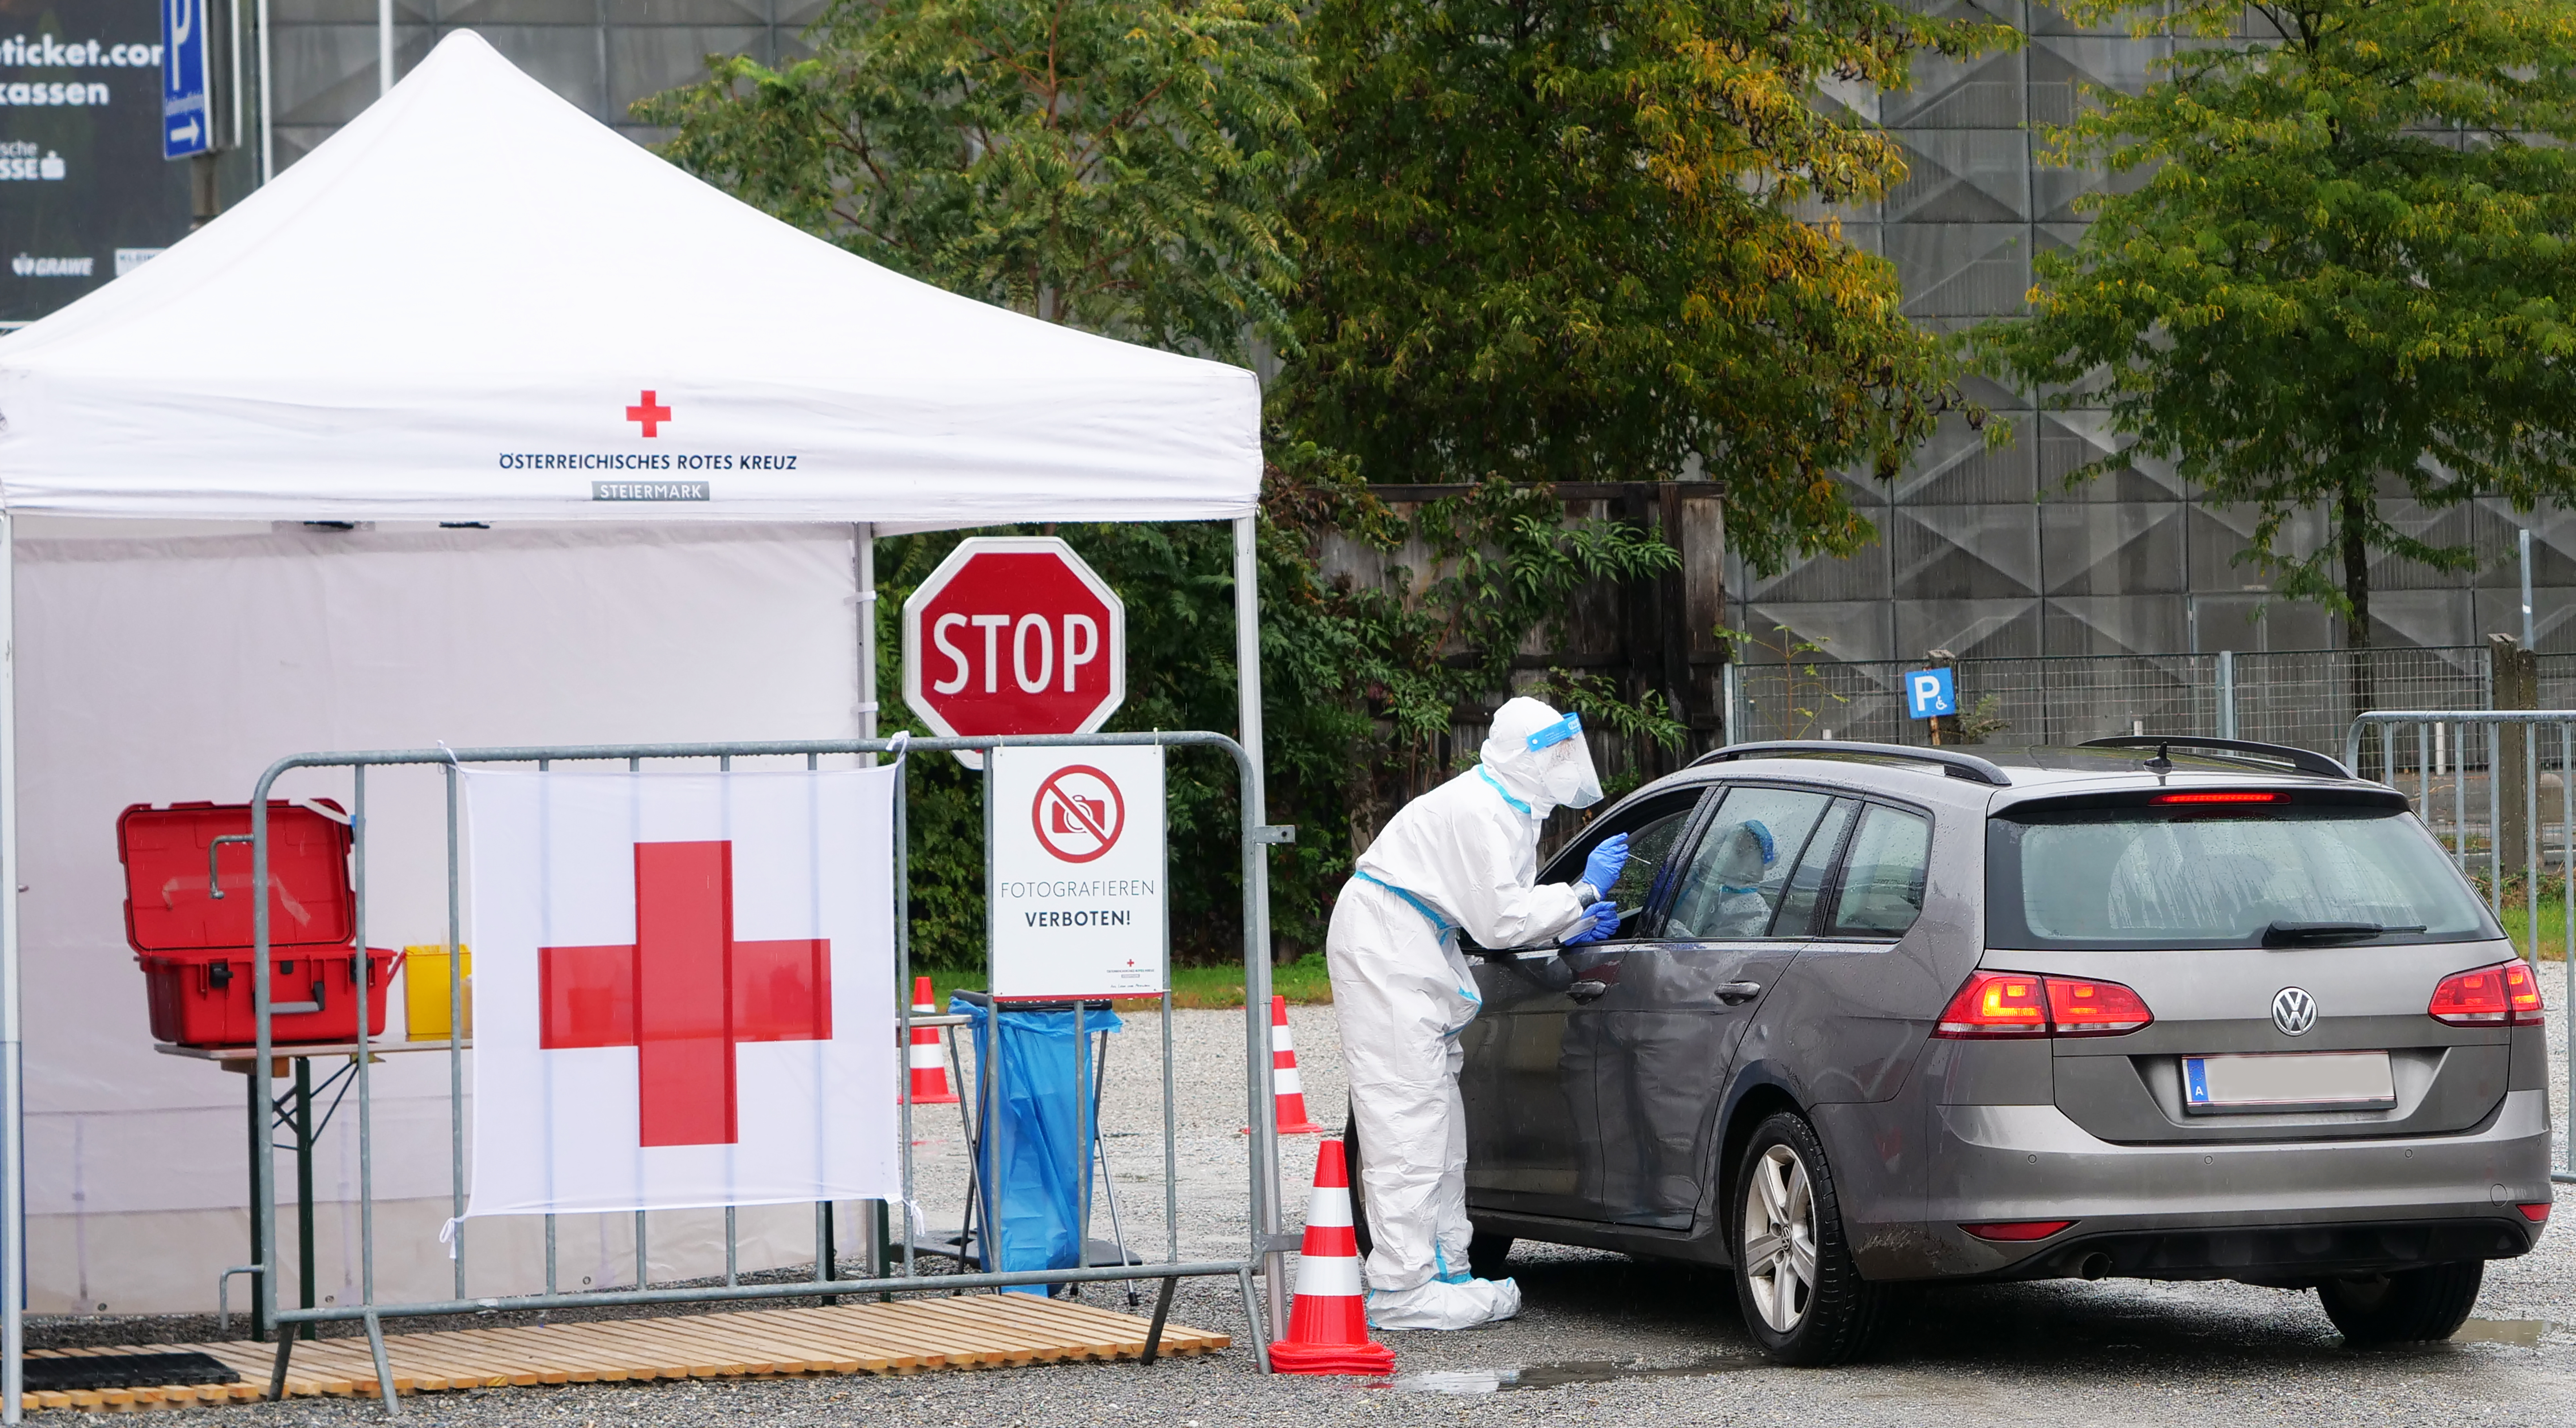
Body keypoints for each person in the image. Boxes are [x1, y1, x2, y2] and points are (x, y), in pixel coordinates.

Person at [1325, 696, 1627, 1330]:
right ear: (1527, 757)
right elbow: (1498, 920)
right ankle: (1402, 1288)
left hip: (1414, 943)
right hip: (1387, 942)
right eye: (1555, 754)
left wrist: (1564, 923)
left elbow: (1499, 913)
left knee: (1439, 1119)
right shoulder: (1481, 811)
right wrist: (1583, 891)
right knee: (1405, 1114)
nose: (1566, 766)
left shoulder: (1510, 809)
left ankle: (1444, 1270)